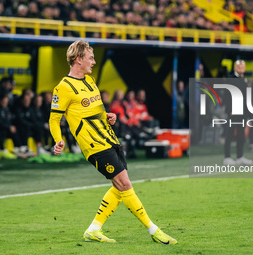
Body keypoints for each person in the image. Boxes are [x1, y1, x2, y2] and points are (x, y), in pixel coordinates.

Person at [49, 40, 177, 245]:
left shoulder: (90, 81)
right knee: (124, 184)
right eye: (90, 58)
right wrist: (58, 140)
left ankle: (93, 230)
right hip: (94, 145)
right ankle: (154, 230)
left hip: (110, 138)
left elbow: (96, 110)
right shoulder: (63, 88)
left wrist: (108, 116)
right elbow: (54, 119)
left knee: (119, 187)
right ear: (79, 59)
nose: (94, 61)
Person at [223, 60, 252, 165]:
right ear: (235, 68)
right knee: (230, 134)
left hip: (242, 111)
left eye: (242, 67)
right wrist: (230, 109)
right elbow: (227, 95)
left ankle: (240, 156)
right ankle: (227, 157)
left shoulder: (244, 80)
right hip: (233, 111)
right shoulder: (230, 79)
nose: (241, 69)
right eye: (239, 67)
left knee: (241, 134)